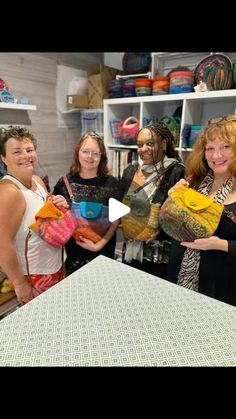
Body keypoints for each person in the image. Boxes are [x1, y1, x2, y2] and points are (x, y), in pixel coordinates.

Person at [167, 114, 236, 306]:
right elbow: (171, 227)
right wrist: (173, 201)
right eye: (210, 148)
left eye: (226, 147)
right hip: (178, 282)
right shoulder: (194, 181)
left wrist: (220, 244)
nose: (216, 155)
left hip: (219, 292)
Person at [0, 126, 69, 304]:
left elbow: (44, 217)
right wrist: (20, 283)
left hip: (57, 265)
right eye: (17, 152)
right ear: (4, 158)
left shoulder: (37, 180)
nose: (25, 156)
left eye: (29, 150)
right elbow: (2, 245)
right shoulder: (8, 192)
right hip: (35, 276)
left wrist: (57, 203)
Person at [119, 122, 185, 279]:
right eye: (140, 144)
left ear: (163, 144)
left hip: (157, 256)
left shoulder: (176, 172)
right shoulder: (130, 171)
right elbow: (121, 205)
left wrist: (160, 230)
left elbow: (181, 218)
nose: (144, 149)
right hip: (129, 249)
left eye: (150, 143)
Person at [53, 131, 123, 274]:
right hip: (73, 254)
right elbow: (55, 219)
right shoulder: (65, 182)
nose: (90, 157)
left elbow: (116, 221)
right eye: (85, 151)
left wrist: (99, 245)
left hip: (103, 252)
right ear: (78, 152)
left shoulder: (112, 184)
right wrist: (60, 208)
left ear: (102, 156)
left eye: (95, 153)